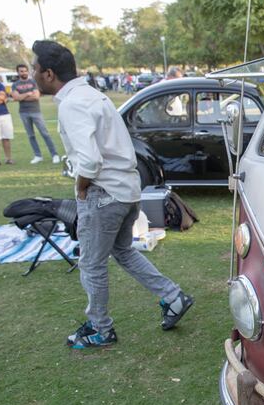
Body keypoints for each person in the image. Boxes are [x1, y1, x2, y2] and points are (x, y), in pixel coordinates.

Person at [31, 40, 195, 349]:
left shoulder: (73, 103)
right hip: (127, 191)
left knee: (91, 264)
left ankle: (100, 329)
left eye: (34, 68)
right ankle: (173, 297)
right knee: (123, 251)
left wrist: (81, 188)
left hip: (103, 194)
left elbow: (90, 160)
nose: (31, 74)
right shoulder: (93, 95)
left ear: (49, 73)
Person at [11, 64, 60, 164]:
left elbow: (36, 96)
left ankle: (54, 154)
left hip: (36, 111)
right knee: (31, 135)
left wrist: (22, 96)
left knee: (45, 133)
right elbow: (16, 98)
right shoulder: (15, 84)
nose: (23, 73)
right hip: (23, 113)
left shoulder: (33, 82)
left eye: (25, 71)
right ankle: (38, 155)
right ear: (18, 72)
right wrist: (28, 94)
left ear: (27, 71)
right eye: (21, 71)